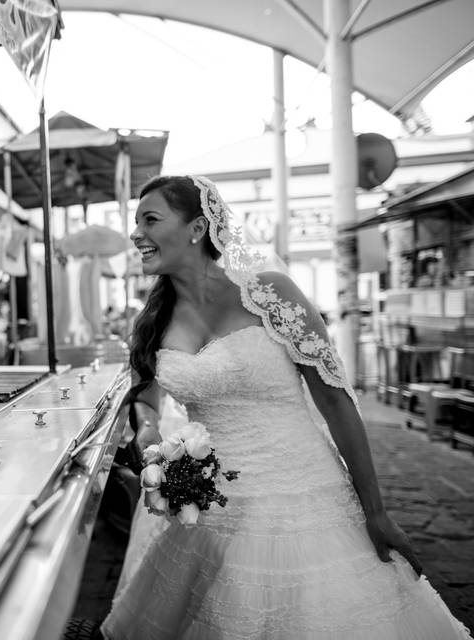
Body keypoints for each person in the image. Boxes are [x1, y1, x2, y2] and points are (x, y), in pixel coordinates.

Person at [101, 176, 471, 639]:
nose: (136, 233)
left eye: (149, 220)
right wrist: (149, 432)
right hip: (210, 507)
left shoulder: (271, 293)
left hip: (304, 496)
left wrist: (375, 511)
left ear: (197, 228)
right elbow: (146, 399)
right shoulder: (154, 320)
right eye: (135, 222)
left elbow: (335, 399)